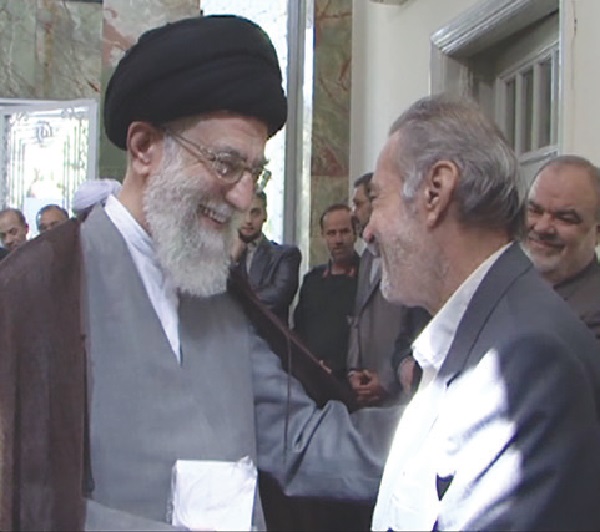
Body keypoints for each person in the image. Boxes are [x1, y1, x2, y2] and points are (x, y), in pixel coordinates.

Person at [0, 15, 393, 532]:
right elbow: (24, 498)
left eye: (254, 172)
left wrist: (446, 432)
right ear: (144, 147)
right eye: (226, 164)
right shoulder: (35, 291)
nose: (244, 196)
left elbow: (300, 442)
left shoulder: (217, 290)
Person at [364, 95, 600, 531]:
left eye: (378, 198)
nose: (369, 229)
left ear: (436, 191)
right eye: (537, 211)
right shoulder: (478, 326)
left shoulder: (526, 359)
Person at [347, 172, 431, 406]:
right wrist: (353, 368)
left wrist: (387, 378)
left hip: (398, 387)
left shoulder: (408, 257)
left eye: (358, 204)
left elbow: (411, 325)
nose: (353, 213)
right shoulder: (366, 257)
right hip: (366, 381)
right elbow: (359, 316)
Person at [525, 155, 600, 340]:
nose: (542, 227)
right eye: (534, 210)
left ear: (597, 233)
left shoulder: (592, 317)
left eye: (565, 218)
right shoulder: (505, 287)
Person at [293, 203, 359, 382]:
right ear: (323, 236)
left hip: (352, 382)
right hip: (311, 379)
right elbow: (299, 332)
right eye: (331, 233)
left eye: (344, 232)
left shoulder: (367, 281)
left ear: (355, 234)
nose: (338, 240)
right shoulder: (311, 281)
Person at [232, 190, 301, 324]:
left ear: (265, 215)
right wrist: (232, 258)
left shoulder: (285, 255)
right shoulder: (221, 256)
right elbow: (213, 296)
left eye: (255, 213)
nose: (248, 220)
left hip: (267, 335)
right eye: (242, 212)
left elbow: (277, 297)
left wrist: (232, 304)